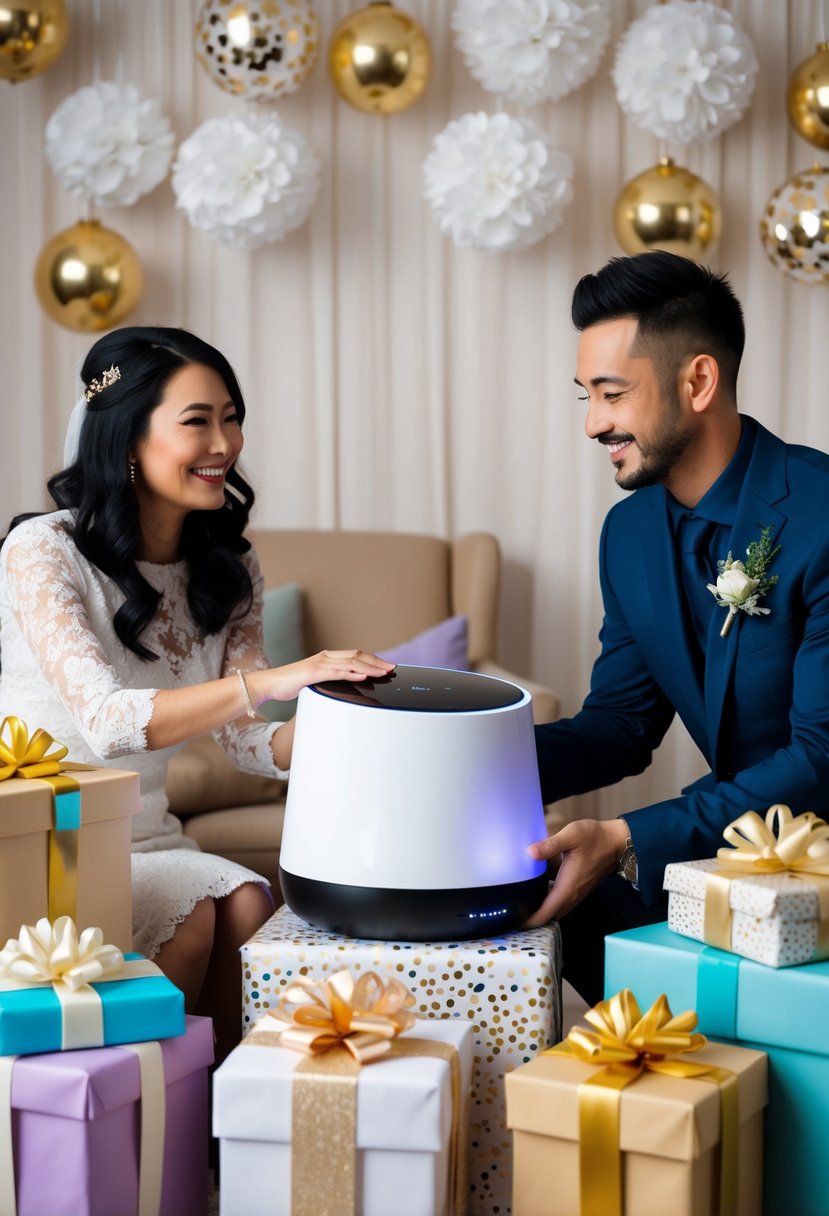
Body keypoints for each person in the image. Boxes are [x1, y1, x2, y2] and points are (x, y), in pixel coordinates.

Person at [0, 325, 394, 1062]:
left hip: (149, 838)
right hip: (43, 848)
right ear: (126, 437)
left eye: (230, 416)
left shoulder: (228, 568)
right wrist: (279, 678)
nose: (224, 443)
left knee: (247, 901)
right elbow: (109, 722)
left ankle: (213, 1130)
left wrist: (363, 731)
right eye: (196, 421)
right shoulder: (42, 550)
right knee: (201, 920)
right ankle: (133, 1123)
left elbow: (249, 741)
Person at [525, 251, 829, 1005]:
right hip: (730, 847)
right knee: (524, 878)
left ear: (697, 381)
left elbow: (820, 759)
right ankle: (669, 1095)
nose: (594, 422)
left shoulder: (822, 513)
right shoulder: (627, 536)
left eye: (612, 393)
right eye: (585, 397)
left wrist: (625, 839)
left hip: (817, 847)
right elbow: (619, 728)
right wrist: (458, 759)